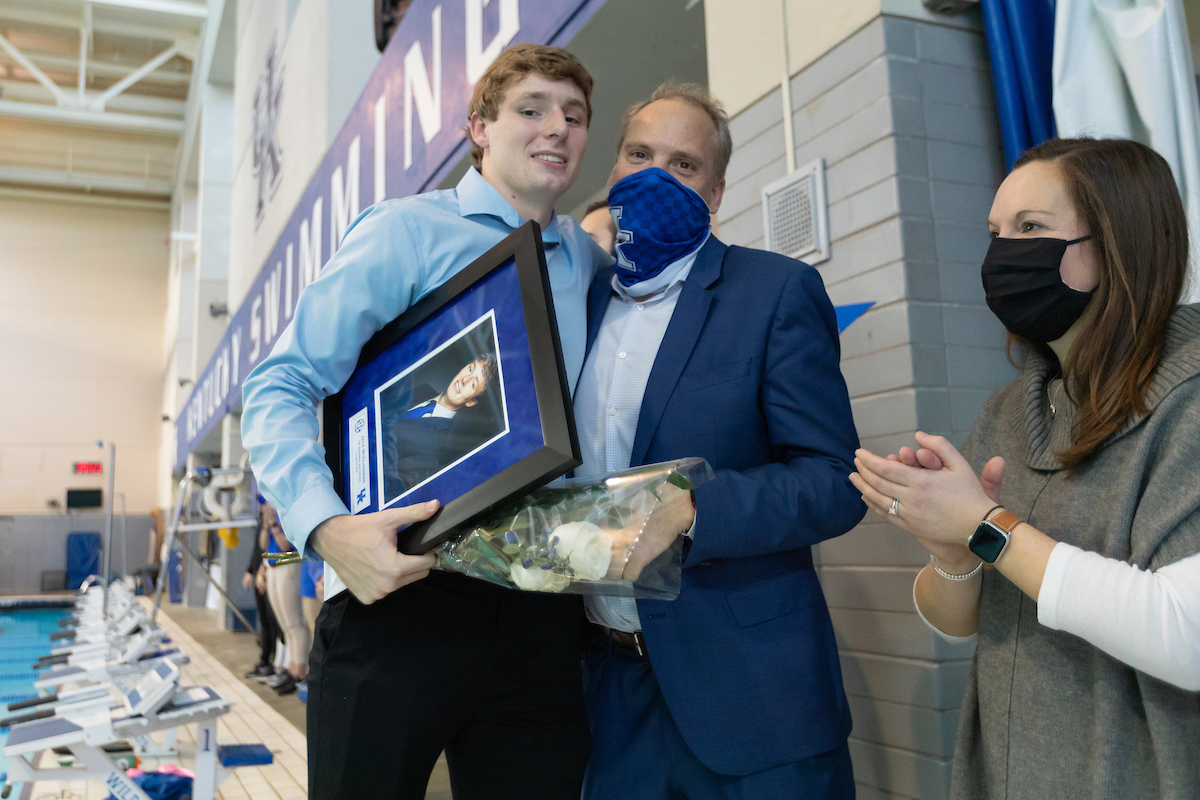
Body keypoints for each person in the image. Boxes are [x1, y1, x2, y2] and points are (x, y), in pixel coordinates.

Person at [241, 44, 608, 800]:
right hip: (402, 590)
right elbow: (281, 383)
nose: (557, 128)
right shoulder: (406, 231)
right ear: (479, 126)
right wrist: (326, 530)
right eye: (532, 109)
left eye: (574, 116)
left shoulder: (583, 259)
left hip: (542, 609)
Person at [849, 137, 1200, 799]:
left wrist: (985, 525)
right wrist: (952, 550)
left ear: (1118, 244)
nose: (1002, 253)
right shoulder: (1013, 410)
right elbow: (962, 621)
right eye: (995, 233)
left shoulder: (1190, 397)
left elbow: (1187, 636)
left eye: (1031, 228)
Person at [575, 82, 865, 800]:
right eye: (638, 154)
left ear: (716, 192)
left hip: (754, 696)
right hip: (611, 693)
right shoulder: (579, 305)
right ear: (613, 168)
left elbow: (833, 479)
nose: (654, 175)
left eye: (683, 164)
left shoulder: (774, 291)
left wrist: (695, 509)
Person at [380, 353, 500, 498]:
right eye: (470, 369)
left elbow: (389, 485)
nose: (465, 380)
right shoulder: (423, 389)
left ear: (471, 402)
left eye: (473, 384)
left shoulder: (439, 449)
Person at [260, 501, 310, 695]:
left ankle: (299, 673)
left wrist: (275, 524)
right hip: (272, 566)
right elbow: (263, 545)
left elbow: (285, 546)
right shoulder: (271, 513)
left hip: (288, 565)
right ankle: (291, 669)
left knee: (295, 624)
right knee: (285, 625)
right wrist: (266, 525)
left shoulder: (288, 510)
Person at [242, 509, 281, 682]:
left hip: (273, 571)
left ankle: (276, 664)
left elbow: (281, 549)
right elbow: (259, 547)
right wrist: (251, 570)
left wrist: (262, 570)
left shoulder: (279, 515)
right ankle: (266, 661)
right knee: (265, 620)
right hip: (262, 571)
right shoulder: (264, 518)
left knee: (277, 623)